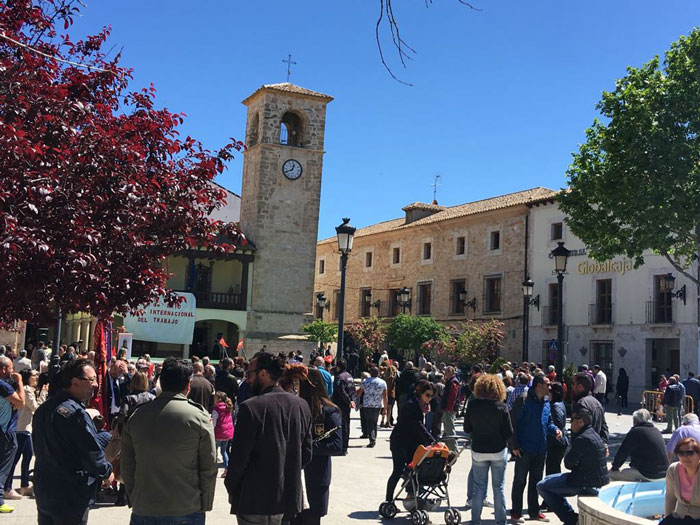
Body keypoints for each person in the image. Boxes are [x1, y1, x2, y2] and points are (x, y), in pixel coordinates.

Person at [121, 357, 217, 523]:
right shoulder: (198, 417)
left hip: (145, 506)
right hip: (185, 506)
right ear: (189, 385)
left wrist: (133, 496)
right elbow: (209, 466)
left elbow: (127, 464)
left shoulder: (137, 416)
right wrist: (206, 503)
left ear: (160, 381)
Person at [225, 352, 312, 525]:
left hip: (254, 499)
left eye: (249, 373)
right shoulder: (301, 405)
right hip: (286, 499)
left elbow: (239, 459)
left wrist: (233, 487)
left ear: (263, 374)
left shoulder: (251, 408)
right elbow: (307, 453)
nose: (248, 379)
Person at [33, 359, 111, 522]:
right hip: (70, 493)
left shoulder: (44, 409)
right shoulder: (74, 414)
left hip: (46, 489)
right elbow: (91, 453)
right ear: (75, 382)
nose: (96, 384)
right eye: (91, 380)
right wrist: (107, 471)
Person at [537, 408, 609, 525]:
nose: (571, 424)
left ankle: (571, 519)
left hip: (584, 483)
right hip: (594, 480)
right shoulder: (594, 434)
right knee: (547, 479)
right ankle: (571, 518)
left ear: (581, 421)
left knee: (541, 486)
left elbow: (568, 463)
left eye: (573, 421)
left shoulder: (582, 438)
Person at [464, 374, 514, 525]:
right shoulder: (502, 407)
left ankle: (475, 520)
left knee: (479, 487)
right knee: (498, 487)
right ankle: (500, 521)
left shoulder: (473, 405)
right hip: (498, 450)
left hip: (479, 449)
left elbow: (467, 428)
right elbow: (509, 433)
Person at [511, 374, 562, 523]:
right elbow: (512, 423)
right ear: (539, 385)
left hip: (540, 449)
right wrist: (514, 446)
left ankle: (534, 511)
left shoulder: (546, 401)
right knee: (520, 481)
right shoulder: (524, 399)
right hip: (524, 449)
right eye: (547, 384)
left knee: (536, 481)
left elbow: (548, 422)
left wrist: (555, 430)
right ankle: (516, 512)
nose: (550, 387)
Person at [298, 367, 343, 524]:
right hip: (294, 476)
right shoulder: (295, 407)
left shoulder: (329, 410)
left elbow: (336, 445)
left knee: (311, 518)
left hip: (316, 474)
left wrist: (307, 448)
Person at [383, 380, 435, 504]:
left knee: (414, 470)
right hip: (399, 442)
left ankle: (411, 498)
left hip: (412, 443)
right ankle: (388, 500)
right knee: (398, 470)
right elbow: (418, 426)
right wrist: (431, 441)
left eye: (431, 396)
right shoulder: (411, 405)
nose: (429, 399)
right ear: (420, 393)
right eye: (427, 395)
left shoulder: (422, 405)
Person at [7, 369, 41, 498]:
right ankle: (7, 486)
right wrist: (43, 394)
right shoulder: (26, 389)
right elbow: (35, 407)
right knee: (17, 458)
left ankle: (24, 485)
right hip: (22, 428)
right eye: (34, 375)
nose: (36, 377)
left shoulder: (28, 389)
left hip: (24, 428)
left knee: (27, 456)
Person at [609, 408, 668, 481]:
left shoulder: (636, 432)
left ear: (635, 421)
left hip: (648, 474)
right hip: (664, 473)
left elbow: (623, 452)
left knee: (611, 475)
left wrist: (614, 468)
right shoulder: (656, 430)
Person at [663, 438, 700, 524]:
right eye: (681, 453)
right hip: (680, 516)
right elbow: (670, 497)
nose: (685, 456)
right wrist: (668, 518)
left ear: (698, 455)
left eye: (689, 453)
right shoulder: (673, 470)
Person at [572, 372, 609, 445]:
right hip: (595, 448)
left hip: (584, 449)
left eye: (573, 384)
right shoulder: (597, 402)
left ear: (580, 387)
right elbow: (604, 427)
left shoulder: (581, 404)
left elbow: (578, 430)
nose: (572, 387)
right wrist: (603, 444)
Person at [357, 366, 388, 448]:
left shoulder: (365, 381)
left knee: (369, 422)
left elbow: (359, 393)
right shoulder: (383, 382)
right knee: (374, 422)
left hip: (367, 404)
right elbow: (385, 396)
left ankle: (372, 439)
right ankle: (373, 437)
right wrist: (385, 408)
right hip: (377, 405)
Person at [331, 360, 355, 455]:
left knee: (340, 425)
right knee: (346, 425)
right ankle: (345, 446)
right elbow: (352, 390)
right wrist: (351, 400)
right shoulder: (349, 376)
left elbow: (341, 391)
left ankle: (341, 447)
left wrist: (348, 401)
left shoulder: (339, 377)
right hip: (347, 404)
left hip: (340, 404)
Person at [545, 382, 568, 477]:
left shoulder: (554, 406)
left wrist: (553, 430)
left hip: (556, 442)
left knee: (552, 470)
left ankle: (554, 490)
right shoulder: (560, 403)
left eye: (549, 391)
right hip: (559, 441)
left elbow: (558, 422)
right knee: (554, 468)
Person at [212, 391, 234, 476]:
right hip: (227, 434)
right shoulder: (228, 407)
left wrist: (211, 429)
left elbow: (214, 422)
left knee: (215, 451)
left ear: (219, 399)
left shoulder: (216, 409)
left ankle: (213, 468)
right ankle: (227, 469)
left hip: (218, 433)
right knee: (224, 451)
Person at [441, 366, 460, 453]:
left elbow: (453, 397)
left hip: (450, 410)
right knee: (447, 429)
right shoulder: (450, 381)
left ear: (451, 373)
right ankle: (448, 449)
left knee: (450, 430)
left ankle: (454, 449)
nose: (445, 373)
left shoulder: (453, 382)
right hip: (447, 409)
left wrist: (448, 408)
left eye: (447, 372)